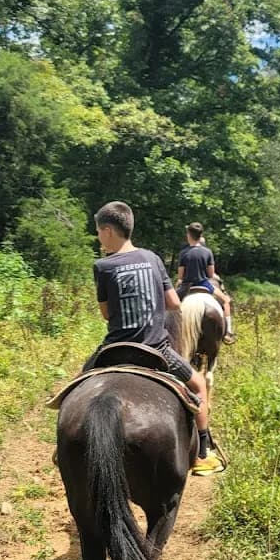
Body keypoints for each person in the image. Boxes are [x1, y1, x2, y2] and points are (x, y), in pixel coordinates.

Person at [85, 201, 224, 475]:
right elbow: (173, 303)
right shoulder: (152, 258)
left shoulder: (102, 266)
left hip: (115, 348)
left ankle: (61, 450)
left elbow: (105, 314)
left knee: (74, 387)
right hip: (156, 348)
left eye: (99, 232)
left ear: (109, 231)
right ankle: (201, 454)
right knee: (198, 385)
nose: (99, 237)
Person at [176, 222, 235, 342]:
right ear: (200, 235)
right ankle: (228, 332)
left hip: (186, 287)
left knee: (168, 306)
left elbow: (180, 276)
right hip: (204, 284)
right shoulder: (207, 252)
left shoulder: (183, 253)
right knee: (226, 301)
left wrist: (178, 283)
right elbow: (210, 274)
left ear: (189, 235)